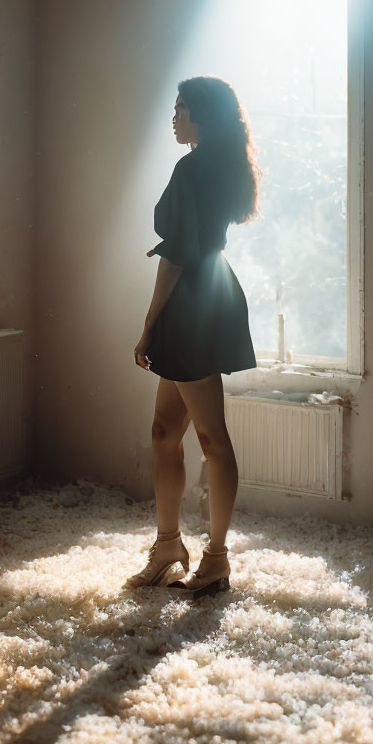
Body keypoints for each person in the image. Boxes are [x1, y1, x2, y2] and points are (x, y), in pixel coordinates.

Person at [125, 75, 262, 595]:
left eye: (181, 107)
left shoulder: (194, 166)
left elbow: (177, 257)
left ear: (202, 114)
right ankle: (168, 546)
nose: (174, 116)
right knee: (165, 434)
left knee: (211, 439)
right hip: (211, 295)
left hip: (193, 304)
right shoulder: (220, 163)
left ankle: (218, 558)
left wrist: (148, 325)